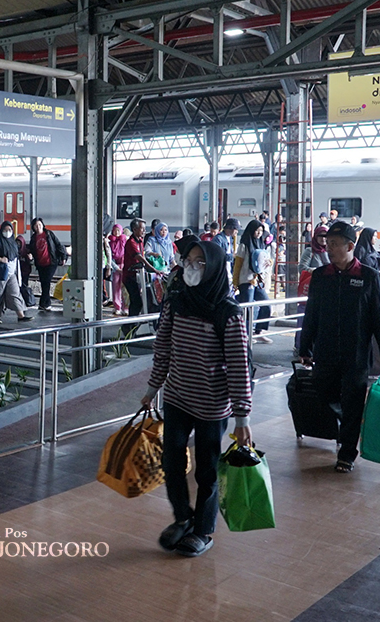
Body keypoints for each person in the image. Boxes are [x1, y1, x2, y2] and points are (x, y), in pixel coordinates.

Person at [143, 239, 252, 557]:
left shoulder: (227, 312)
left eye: (199, 262)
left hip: (212, 406)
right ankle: (183, 518)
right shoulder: (177, 302)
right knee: (171, 462)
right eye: (188, 261)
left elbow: (239, 366)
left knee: (207, 470)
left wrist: (242, 417)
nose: (191, 267)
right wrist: (152, 389)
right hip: (177, 397)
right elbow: (163, 348)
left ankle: (203, 530)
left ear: (214, 268)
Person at [299, 221, 380, 473]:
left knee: (353, 403)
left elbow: (379, 318)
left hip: (356, 354)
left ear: (350, 246)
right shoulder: (321, 276)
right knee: (326, 395)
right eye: (327, 244)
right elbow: (311, 314)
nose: (329, 249)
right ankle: (343, 427)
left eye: (334, 244)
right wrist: (305, 347)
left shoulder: (368, 276)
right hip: (325, 351)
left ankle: (347, 452)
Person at [232, 220, 273, 344]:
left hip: (258, 281)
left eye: (261, 231)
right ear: (251, 230)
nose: (259, 233)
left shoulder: (261, 244)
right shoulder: (244, 245)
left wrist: (269, 262)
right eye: (257, 230)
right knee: (247, 309)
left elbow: (264, 260)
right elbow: (237, 265)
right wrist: (235, 282)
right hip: (246, 281)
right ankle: (245, 334)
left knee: (266, 304)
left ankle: (258, 331)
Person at [0, 220, 30, 324]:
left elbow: (16, 254)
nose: (7, 232)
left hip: (11, 272)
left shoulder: (12, 241)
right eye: (5, 230)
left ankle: (21, 315)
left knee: (15, 292)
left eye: (9, 230)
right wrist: (0, 259)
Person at [123, 219, 161, 318]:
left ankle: (132, 323)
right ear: (134, 229)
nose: (144, 231)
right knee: (137, 301)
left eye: (145, 228)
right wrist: (153, 269)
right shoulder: (131, 242)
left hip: (138, 275)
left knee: (139, 300)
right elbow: (139, 257)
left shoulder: (140, 241)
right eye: (142, 228)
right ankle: (130, 324)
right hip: (129, 276)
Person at [29, 217, 67, 312]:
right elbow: (31, 249)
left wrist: (63, 257)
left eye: (39, 225)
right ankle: (46, 303)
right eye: (36, 226)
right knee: (44, 283)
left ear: (43, 225)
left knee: (46, 281)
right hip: (40, 264)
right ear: (33, 227)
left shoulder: (49, 234)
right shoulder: (33, 238)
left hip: (51, 262)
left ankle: (43, 303)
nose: (38, 227)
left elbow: (58, 245)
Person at [108, 224, 127, 315]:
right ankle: (117, 307)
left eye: (118, 230)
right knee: (116, 288)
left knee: (124, 288)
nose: (116, 232)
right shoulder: (110, 242)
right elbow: (109, 257)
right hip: (115, 267)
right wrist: (116, 268)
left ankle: (125, 307)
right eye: (115, 230)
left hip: (125, 266)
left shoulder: (125, 241)